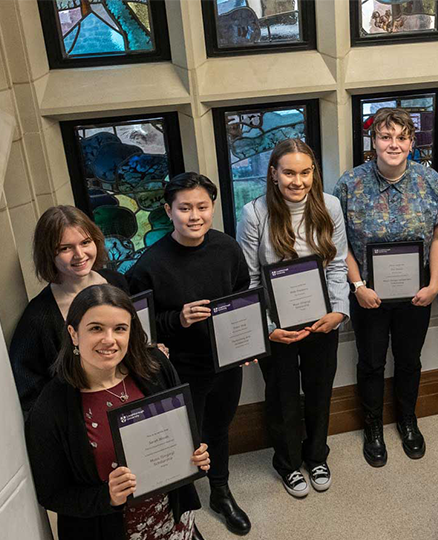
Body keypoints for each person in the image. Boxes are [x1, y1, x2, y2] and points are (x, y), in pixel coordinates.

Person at [26, 284, 210, 540]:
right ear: (74, 334)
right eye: (96, 328)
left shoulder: (156, 366)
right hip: (111, 529)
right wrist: (107, 497)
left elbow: (181, 431)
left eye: (120, 329)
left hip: (173, 517)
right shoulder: (51, 407)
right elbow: (52, 494)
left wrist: (194, 455)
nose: (109, 340)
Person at [127, 173, 252, 535]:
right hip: (179, 370)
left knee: (219, 428)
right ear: (169, 210)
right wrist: (177, 318)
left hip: (226, 363)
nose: (194, 215)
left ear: (212, 207)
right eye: (184, 208)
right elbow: (140, 328)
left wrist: (246, 339)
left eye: (202, 206)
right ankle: (180, 511)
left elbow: (243, 294)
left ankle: (221, 492)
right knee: (182, 441)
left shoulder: (227, 247)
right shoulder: (150, 264)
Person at [334, 107, 438, 468]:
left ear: (412, 142)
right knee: (370, 362)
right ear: (373, 141)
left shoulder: (431, 182)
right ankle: (372, 427)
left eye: (402, 137)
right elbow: (340, 244)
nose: (394, 144)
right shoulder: (348, 184)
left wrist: (434, 284)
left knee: (409, 360)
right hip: (367, 293)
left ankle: (407, 420)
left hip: (415, 293)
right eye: (385, 136)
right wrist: (356, 285)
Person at [237, 138, 348, 497]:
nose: (297, 181)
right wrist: (268, 328)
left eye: (304, 172)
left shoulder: (330, 206)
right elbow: (249, 281)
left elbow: (338, 264)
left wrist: (338, 312)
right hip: (277, 327)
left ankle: (316, 456)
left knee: (319, 391)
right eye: (288, 173)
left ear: (314, 173)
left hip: (322, 322)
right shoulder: (254, 213)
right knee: (282, 397)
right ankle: (287, 463)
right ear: (273, 174)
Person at [10, 205, 129, 415]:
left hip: (131, 400)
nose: (79, 254)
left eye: (85, 242)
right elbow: (30, 394)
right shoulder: (38, 317)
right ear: (49, 254)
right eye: (65, 248)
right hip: (80, 418)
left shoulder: (118, 283)